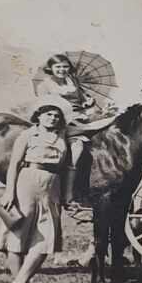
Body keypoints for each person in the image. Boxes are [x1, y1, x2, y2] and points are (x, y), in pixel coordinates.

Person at [0, 99, 70, 283]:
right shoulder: (28, 135)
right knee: (18, 236)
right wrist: (9, 192)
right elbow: (14, 164)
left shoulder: (62, 136)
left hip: (52, 186)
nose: (53, 118)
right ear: (38, 116)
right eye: (48, 114)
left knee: (46, 239)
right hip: (28, 181)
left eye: (57, 115)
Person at [33, 54, 107, 207]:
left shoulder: (73, 81)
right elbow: (46, 108)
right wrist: (66, 111)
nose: (62, 70)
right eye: (58, 67)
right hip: (59, 121)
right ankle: (68, 196)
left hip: (81, 118)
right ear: (51, 69)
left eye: (65, 66)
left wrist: (88, 102)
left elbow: (82, 99)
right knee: (77, 147)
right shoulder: (44, 86)